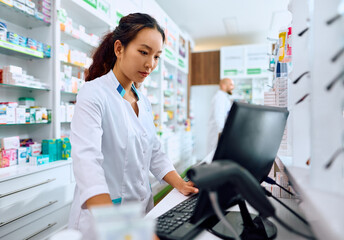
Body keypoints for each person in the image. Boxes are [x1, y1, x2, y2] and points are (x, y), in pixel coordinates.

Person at [68, 13, 198, 239]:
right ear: (119, 49)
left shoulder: (143, 101)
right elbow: (87, 163)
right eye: (144, 52)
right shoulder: (94, 93)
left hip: (140, 214)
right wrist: (117, 227)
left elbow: (154, 152)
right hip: (104, 220)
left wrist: (180, 183)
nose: (150, 64)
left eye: (157, 56)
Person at [206, 78, 235, 154]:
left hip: (219, 132)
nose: (233, 87)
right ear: (223, 85)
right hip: (217, 133)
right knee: (213, 155)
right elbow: (219, 116)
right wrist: (221, 133)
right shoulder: (220, 97)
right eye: (231, 85)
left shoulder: (224, 97)